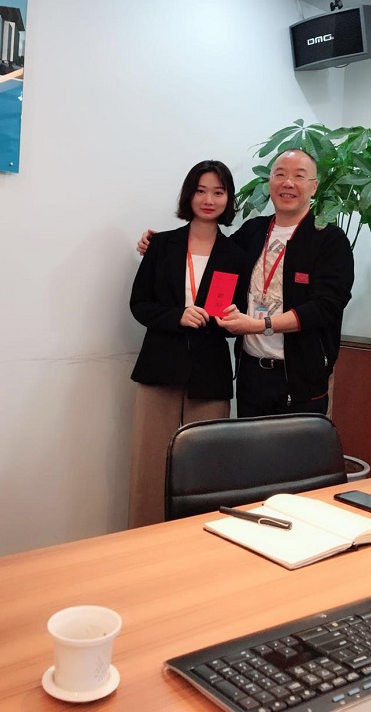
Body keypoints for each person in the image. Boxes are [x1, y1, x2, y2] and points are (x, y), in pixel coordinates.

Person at [138, 149, 354, 420]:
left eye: (299, 176)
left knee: (297, 448)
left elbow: (326, 307)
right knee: (248, 447)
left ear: (314, 186)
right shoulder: (253, 231)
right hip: (250, 373)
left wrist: (260, 325)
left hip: (300, 377)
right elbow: (212, 253)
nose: (288, 183)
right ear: (269, 183)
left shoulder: (329, 239)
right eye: (280, 175)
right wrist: (160, 244)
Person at [128, 159, 245, 528]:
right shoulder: (161, 244)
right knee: (150, 464)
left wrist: (230, 321)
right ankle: (142, 539)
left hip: (210, 374)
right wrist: (176, 316)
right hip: (160, 368)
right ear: (188, 195)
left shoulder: (236, 254)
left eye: (218, 192)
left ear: (228, 199)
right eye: (201, 191)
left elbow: (237, 321)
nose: (209, 200)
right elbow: (139, 304)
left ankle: (200, 539)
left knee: (207, 468)